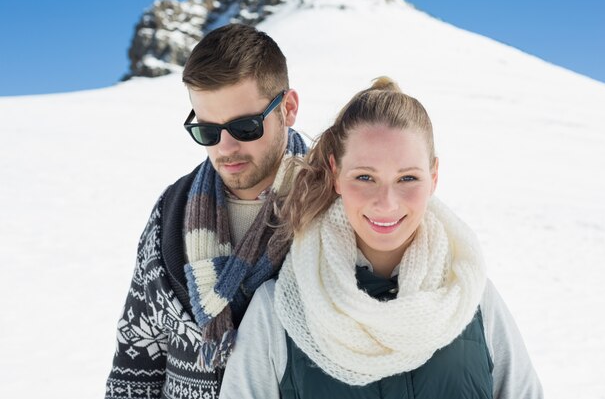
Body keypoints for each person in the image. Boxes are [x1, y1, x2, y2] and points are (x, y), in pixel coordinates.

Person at [219, 77, 544, 398]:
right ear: (336, 175)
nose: (386, 202)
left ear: (433, 178)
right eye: (365, 177)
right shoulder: (280, 308)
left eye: (407, 178)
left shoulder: (471, 296)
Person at [104, 24, 306, 399]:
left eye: (245, 127)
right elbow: (135, 363)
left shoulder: (328, 207)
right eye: (208, 131)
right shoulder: (171, 212)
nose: (225, 149)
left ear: (288, 109)